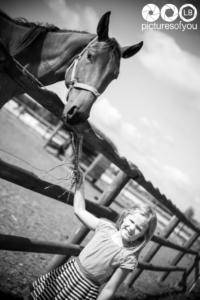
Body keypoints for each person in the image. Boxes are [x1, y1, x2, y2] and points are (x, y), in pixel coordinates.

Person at [26, 172, 157, 300]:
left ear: (143, 235)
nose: (132, 228)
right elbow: (79, 210)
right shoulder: (105, 228)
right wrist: (79, 184)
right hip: (68, 271)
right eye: (132, 221)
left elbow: (109, 289)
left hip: (85, 290)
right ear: (125, 216)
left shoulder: (129, 257)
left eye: (139, 228)